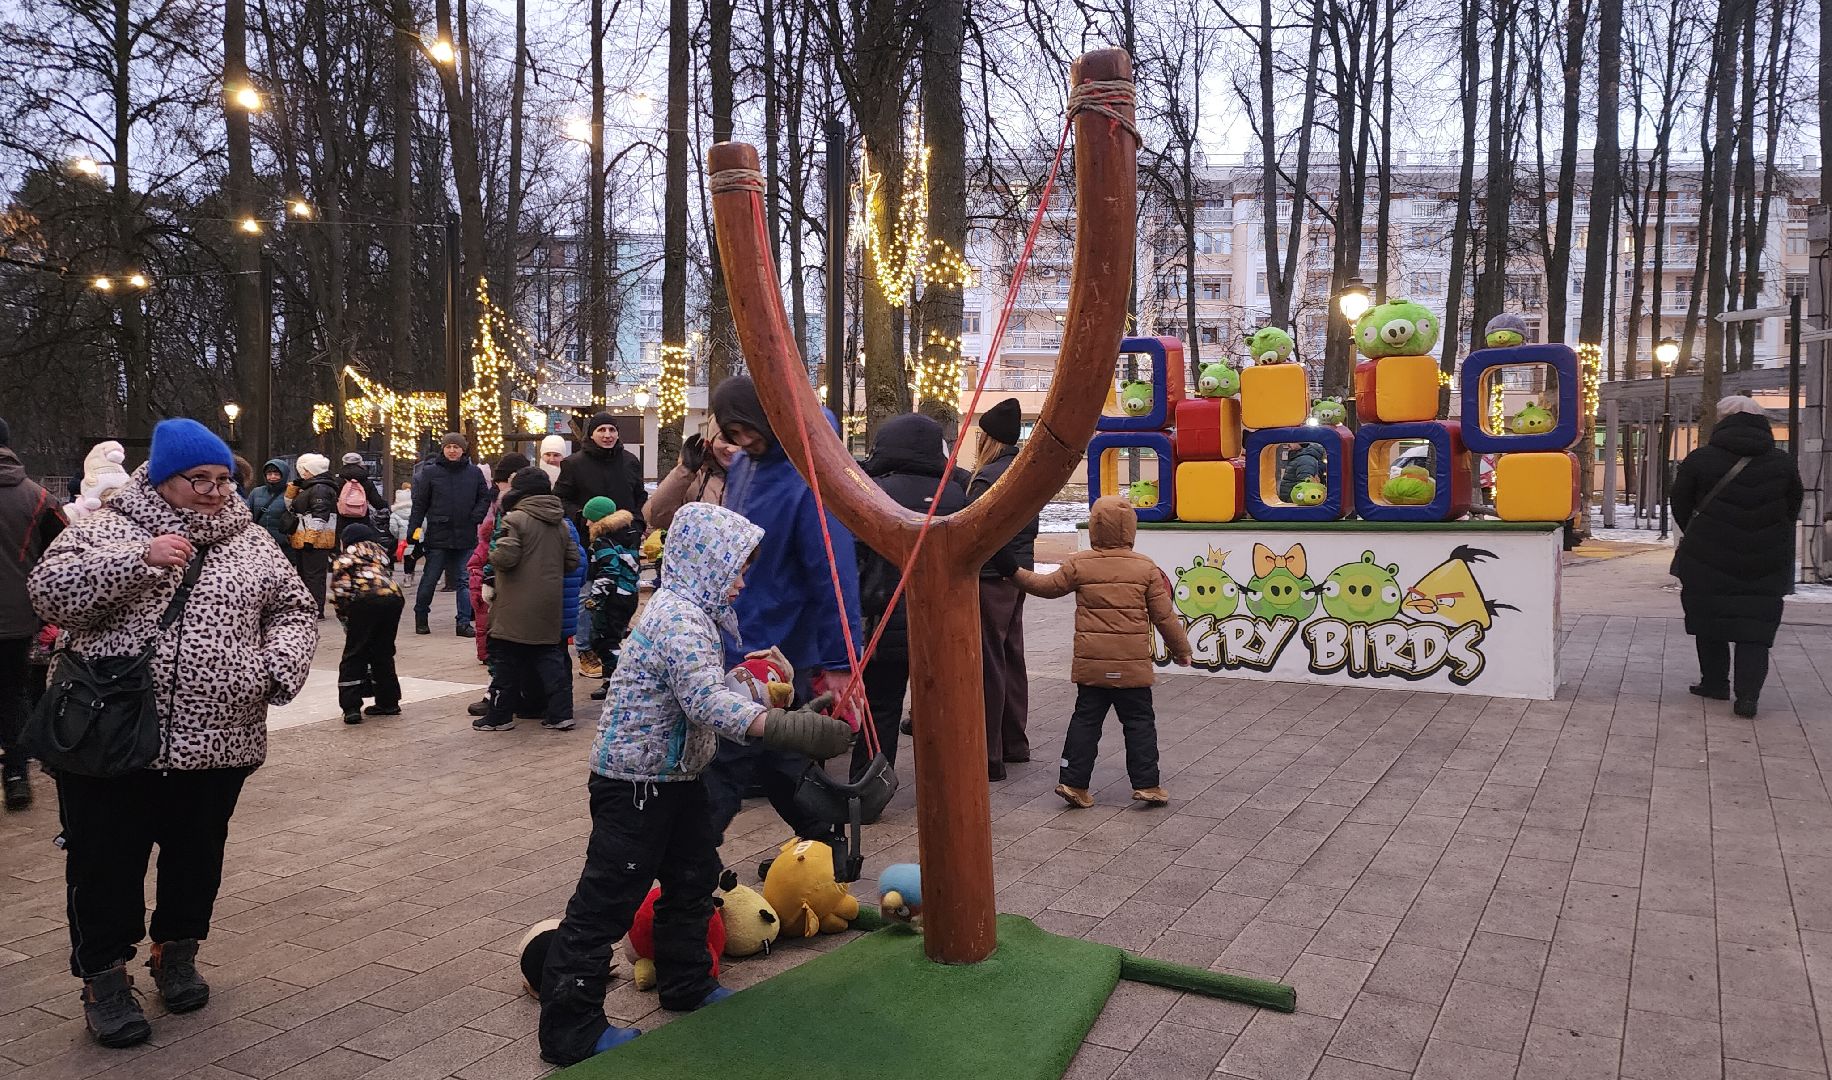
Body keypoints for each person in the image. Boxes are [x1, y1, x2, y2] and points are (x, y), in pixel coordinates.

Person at [27, 418, 316, 1048]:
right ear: (162, 479)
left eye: (222, 479)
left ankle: (176, 952)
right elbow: (49, 595)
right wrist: (140, 560)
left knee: (196, 855)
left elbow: (294, 609)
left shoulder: (252, 541)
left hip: (221, 737)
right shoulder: (108, 526)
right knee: (105, 863)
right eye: (199, 479)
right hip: (111, 738)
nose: (214, 491)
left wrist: (273, 669)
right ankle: (104, 980)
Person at [536, 502, 853, 1067]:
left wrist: (755, 686)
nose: (740, 583)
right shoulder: (678, 620)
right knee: (606, 901)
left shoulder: (695, 615)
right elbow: (705, 703)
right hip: (634, 784)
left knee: (692, 877)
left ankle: (687, 982)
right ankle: (571, 1027)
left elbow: (704, 688)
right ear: (704, 564)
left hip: (676, 776)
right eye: (734, 570)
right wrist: (792, 728)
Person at [701, 376, 864, 844]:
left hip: (781, 645)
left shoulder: (812, 471)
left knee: (729, 759)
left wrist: (839, 661)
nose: (744, 439)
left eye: (747, 428)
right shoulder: (745, 463)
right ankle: (828, 847)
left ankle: (686, 873)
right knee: (778, 757)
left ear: (771, 417)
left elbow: (833, 572)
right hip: (741, 631)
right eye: (732, 431)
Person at [1000, 495, 1192, 809]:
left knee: (1085, 721)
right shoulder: (1145, 567)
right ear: (1131, 529)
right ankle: (1147, 785)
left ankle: (1073, 782)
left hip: (1093, 668)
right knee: (1139, 723)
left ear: (1094, 528)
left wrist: (1013, 572)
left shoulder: (1080, 563)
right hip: (1132, 670)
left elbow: (1046, 587)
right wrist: (1181, 649)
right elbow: (1164, 616)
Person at [1669, 395, 1804, 718]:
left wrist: (1699, 531)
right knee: (1755, 628)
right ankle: (1748, 698)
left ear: (1722, 421)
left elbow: (1680, 502)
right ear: (1762, 422)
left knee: (1710, 618)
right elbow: (1792, 506)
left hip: (1707, 555)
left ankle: (1714, 683)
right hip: (1766, 558)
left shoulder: (1700, 459)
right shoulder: (1782, 463)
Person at [850, 413, 965, 779]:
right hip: (943, 622)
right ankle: (945, 787)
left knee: (881, 707)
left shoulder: (874, 491)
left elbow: (856, 555)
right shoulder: (956, 493)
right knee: (940, 708)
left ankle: (868, 788)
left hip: (886, 619)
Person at [477, 468, 581, 732]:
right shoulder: (560, 522)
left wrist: (493, 555)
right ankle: (560, 714)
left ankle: (498, 717)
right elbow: (572, 561)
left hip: (515, 604)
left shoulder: (515, 519)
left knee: (506, 663)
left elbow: (506, 557)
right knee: (550, 659)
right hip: (549, 603)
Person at [968, 397, 1038, 780]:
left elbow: (979, 533)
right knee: (1012, 654)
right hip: (1017, 573)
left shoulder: (987, 478)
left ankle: (990, 753)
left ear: (989, 439)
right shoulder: (1022, 470)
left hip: (992, 575)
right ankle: (1014, 742)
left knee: (990, 659)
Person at [0, 415, 65, 811]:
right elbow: (64, 555)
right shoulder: (39, 498)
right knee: (14, 692)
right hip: (18, 615)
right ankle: (17, 772)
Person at [407, 432, 492, 637]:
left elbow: (484, 497)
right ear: (443, 449)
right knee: (430, 578)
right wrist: (414, 532)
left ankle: (463, 622)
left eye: (456, 446)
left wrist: (476, 517)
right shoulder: (430, 473)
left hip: (465, 535)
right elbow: (420, 505)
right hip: (438, 535)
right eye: (448, 447)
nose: (452, 450)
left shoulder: (474, 473)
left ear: (463, 449)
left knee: (464, 580)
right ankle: (421, 616)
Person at [330, 523, 404, 725]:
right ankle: (388, 702)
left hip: (364, 600)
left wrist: (345, 616)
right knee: (383, 651)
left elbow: (341, 590)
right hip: (393, 598)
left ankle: (351, 706)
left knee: (355, 653)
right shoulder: (381, 556)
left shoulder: (345, 558)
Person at [580, 496, 640, 699]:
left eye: (590, 518)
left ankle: (622, 679)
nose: (587, 523)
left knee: (603, 641)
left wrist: (595, 598)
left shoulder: (603, 540)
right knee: (612, 638)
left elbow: (609, 570)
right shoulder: (627, 534)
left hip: (613, 597)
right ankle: (611, 682)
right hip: (628, 594)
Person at [555, 411, 647, 538]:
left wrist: (637, 524)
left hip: (626, 536)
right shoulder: (573, 464)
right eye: (601, 430)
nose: (607, 435)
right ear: (591, 434)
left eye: (612, 430)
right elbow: (561, 499)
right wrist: (582, 518)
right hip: (588, 536)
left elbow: (639, 497)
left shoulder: (630, 461)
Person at [645, 426, 734, 531]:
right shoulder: (694, 477)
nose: (732, 449)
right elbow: (656, 518)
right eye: (724, 439)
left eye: (739, 441)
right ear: (711, 441)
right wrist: (684, 471)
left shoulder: (756, 480)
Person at [287, 453, 338, 618]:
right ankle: (309, 606)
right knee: (306, 574)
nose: (302, 473)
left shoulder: (319, 489)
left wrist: (310, 538)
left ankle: (316, 609)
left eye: (304, 470)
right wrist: (293, 489)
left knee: (314, 576)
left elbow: (320, 515)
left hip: (315, 540)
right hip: (305, 537)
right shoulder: (310, 487)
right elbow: (289, 505)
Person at [333, 452, 387, 544]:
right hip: (362, 520)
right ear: (360, 464)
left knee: (342, 543)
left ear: (344, 463)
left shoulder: (337, 481)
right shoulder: (366, 482)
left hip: (341, 521)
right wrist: (386, 505)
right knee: (361, 544)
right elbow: (377, 503)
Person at [245, 458, 294, 552]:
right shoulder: (256, 492)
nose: (272, 477)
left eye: (276, 474)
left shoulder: (291, 493)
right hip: (259, 542)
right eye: (269, 474)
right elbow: (247, 513)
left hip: (283, 544)